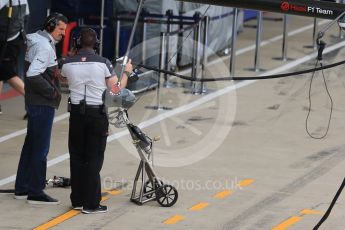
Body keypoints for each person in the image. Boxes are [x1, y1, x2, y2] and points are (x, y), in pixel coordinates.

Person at [61, 28, 133, 214]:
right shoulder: (103, 63)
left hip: (76, 114)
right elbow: (115, 90)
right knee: (94, 158)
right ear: (96, 44)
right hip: (96, 115)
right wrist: (126, 73)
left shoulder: (67, 63)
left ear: (76, 43)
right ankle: (91, 204)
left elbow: (61, 77)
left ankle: (77, 199)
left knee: (76, 157)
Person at [14, 12, 68, 205]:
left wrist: (56, 71)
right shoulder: (45, 46)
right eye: (60, 29)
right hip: (42, 103)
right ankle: (36, 192)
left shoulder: (37, 39)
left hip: (34, 102)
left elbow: (42, 69)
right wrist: (52, 93)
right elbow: (33, 74)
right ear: (50, 26)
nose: (63, 33)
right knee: (41, 149)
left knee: (30, 146)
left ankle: (22, 188)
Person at [0, 0, 29, 114]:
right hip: (16, 38)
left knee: (9, 74)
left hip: (5, 41)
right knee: (2, 72)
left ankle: (34, 102)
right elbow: (26, 16)